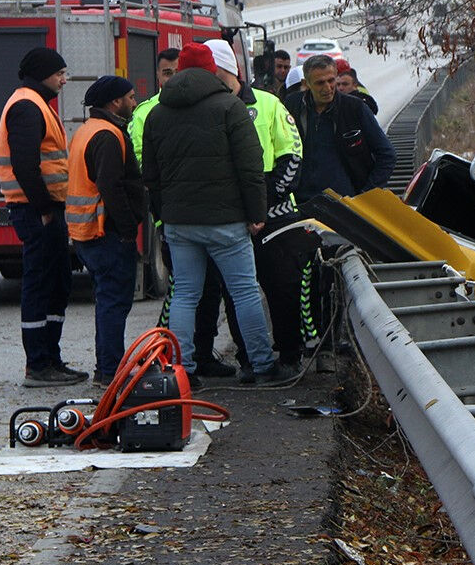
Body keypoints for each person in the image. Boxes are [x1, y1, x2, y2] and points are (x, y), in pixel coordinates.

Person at [142, 42, 291, 387]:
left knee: (185, 295)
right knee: (244, 292)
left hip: (180, 223)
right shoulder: (230, 108)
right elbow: (251, 167)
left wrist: (166, 215)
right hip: (226, 222)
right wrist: (256, 213)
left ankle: (181, 370)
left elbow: (150, 175)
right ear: (213, 69)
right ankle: (262, 365)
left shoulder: (157, 114)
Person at [200, 37, 313, 369]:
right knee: (236, 295)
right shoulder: (207, 110)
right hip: (231, 219)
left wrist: (263, 204)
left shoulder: (268, 103)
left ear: (226, 69)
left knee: (283, 289)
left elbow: (293, 154)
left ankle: (289, 355)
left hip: (275, 217)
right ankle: (250, 359)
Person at [0, 46, 84, 387]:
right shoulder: (27, 106)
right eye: (60, 73)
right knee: (40, 284)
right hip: (37, 211)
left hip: (44, 209)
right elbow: (24, 165)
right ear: (43, 73)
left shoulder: (36, 104)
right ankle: (38, 364)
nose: (64, 79)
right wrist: (45, 209)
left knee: (56, 282)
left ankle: (51, 357)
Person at [66, 76, 143, 385]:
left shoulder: (86, 131)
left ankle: (108, 368)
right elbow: (111, 186)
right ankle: (111, 371)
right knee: (114, 303)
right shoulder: (108, 136)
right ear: (115, 102)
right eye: (131, 96)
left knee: (107, 301)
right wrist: (127, 228)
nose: (134, 102)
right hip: (106, 233)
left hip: (87, 232)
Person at [285, 53, 396, 197]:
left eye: (331, 81)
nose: (328, 88)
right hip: (302, 203)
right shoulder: (292, 105)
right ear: (306, 84)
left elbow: (387, 154)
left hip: (345, 204)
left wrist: (366, 195)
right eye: (320, 83)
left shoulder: (354, 108)